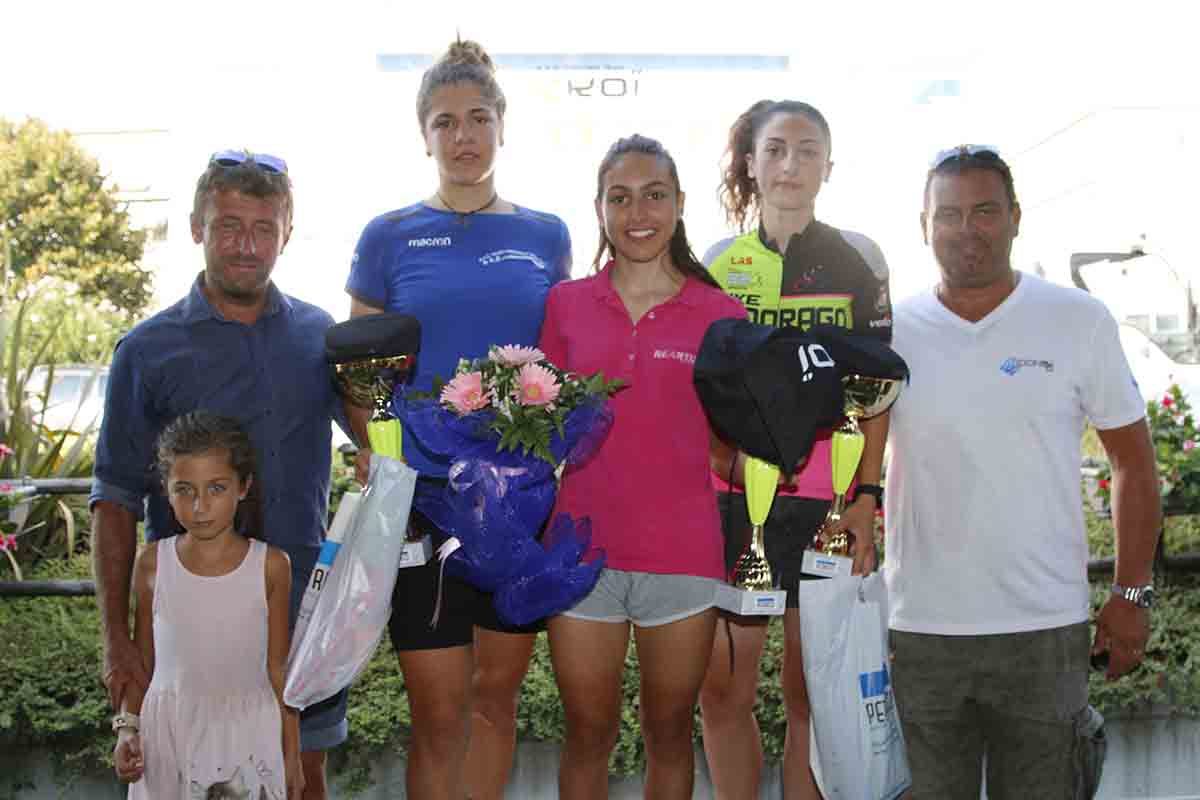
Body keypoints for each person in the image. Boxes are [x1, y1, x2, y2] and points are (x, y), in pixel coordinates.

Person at [884, 145, 1160, 798]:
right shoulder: (890, 331)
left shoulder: (1078, 320)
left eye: (985, 211)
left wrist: (1131, 594)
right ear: (923, 225)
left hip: (1044, 633)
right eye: (948, 214)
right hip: (920, 634)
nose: (967, 229)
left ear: (1015, 216)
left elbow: (1133, 462)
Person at [344, 39, 571, 800]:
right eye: (445, 122)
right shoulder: (387, 235)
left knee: (494, 704)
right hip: (423, 501)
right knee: (439, 718)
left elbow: (560, 364)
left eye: (478, 118)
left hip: (518, 506)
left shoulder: (546, 234)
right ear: (425, 135)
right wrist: (373, 450)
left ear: (502, 126)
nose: (463, 136)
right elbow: (356, 370)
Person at [91, 149, 349, 799]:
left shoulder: (320, 337)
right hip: (188, 633)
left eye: (264, 228)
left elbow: (382, 443)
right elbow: (114, 499)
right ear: (196, 228)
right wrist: (117, 638)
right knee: (180, 778)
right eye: (229, 226)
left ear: (286, 235)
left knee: (300, 783)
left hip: (300, 616)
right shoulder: (146, 351)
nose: (246, 246)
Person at [538, 133, 745, 800]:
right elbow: (541, 431)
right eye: (620, 198)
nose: (638, 213)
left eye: (654, 195)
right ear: (599, 208)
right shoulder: (565, 304)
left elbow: (740, 440)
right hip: (579, 553)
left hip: (683, 554)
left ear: (680, 203)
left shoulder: (721, 314)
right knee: (587, 734)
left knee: (669, 734)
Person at [698, 99, 893, 799]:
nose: (791, 164)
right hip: (735, 505)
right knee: (723, 694)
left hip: (827, 503)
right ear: (751, 163)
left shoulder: (860, 258)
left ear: (828, 167)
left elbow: (879, 390)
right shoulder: (718, 264)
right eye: (776, 149)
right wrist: (716, 464)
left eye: (808, 151)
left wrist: (866, 497)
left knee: (813, 693)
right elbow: (705, 386)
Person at [113, 411, 302, 799]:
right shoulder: (152, 563)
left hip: (248, 738)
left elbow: (278, 669)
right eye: (184, 490)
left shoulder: (271, 566)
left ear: (243, 486)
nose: (199, 506)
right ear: (166, 490)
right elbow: (142, 664)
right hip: (167, 739)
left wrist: (293, 755)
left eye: (216, 488)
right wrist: (126, 730)